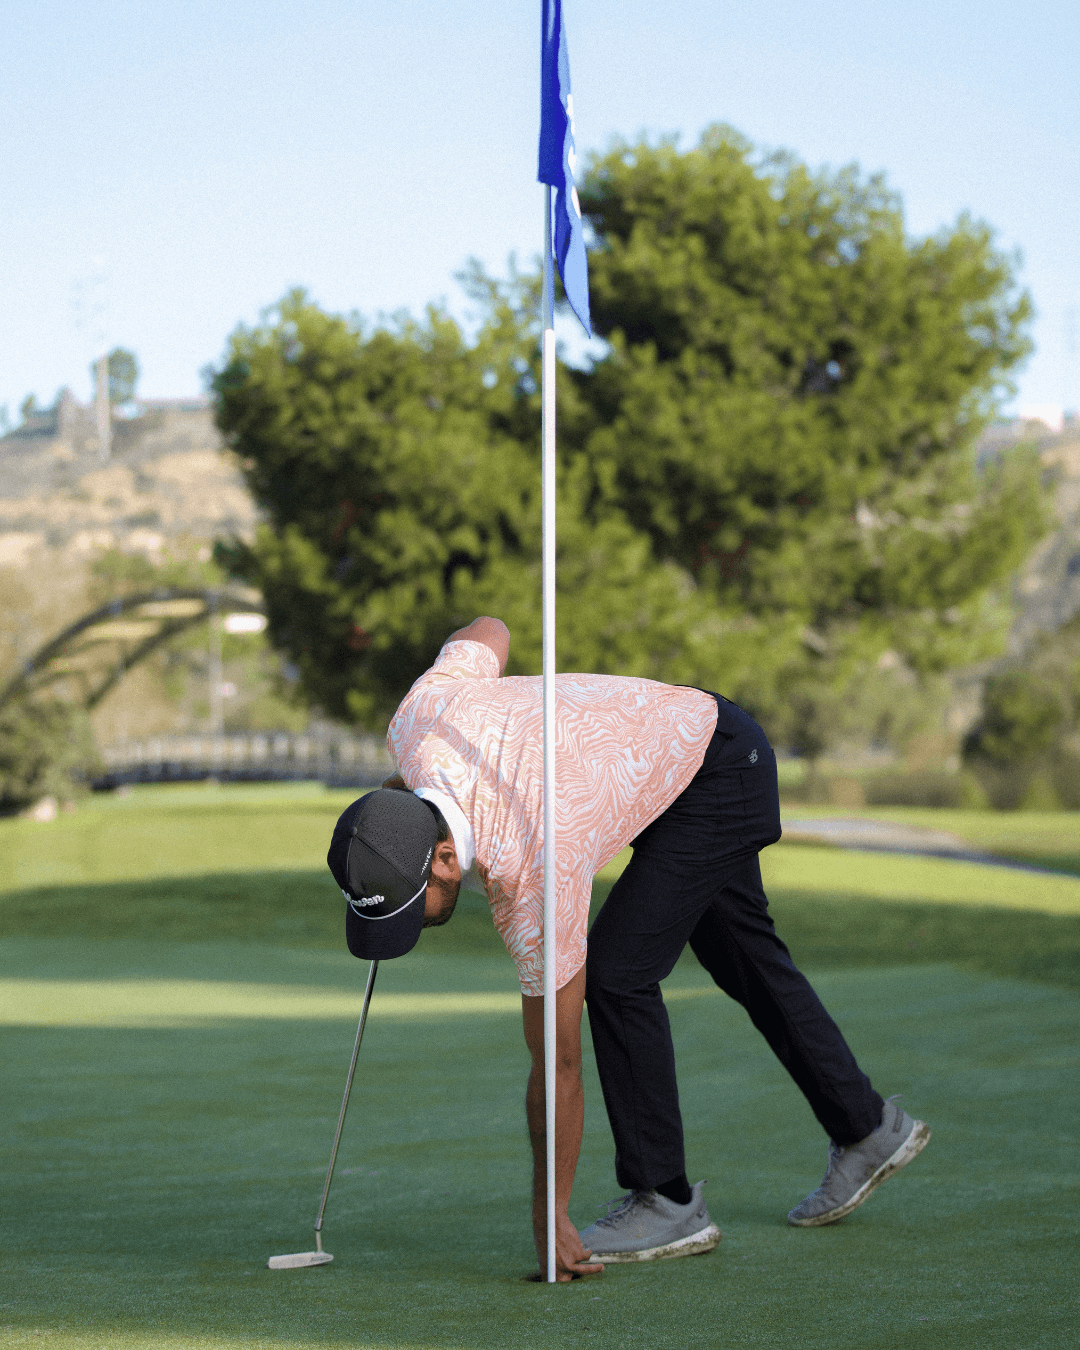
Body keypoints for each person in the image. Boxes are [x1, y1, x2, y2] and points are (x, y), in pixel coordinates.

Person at [326, 616, 930, 1281]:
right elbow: (492, 628)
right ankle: (868, 1128)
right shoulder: (417, 722)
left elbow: (558, 1059)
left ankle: (666, 1199)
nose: (418, 925)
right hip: (696, 749)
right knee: (744, 958)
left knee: (616, 976)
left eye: (416, 907)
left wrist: (548, 1208)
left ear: (445, 857)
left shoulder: (531, 867)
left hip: (714, 771)